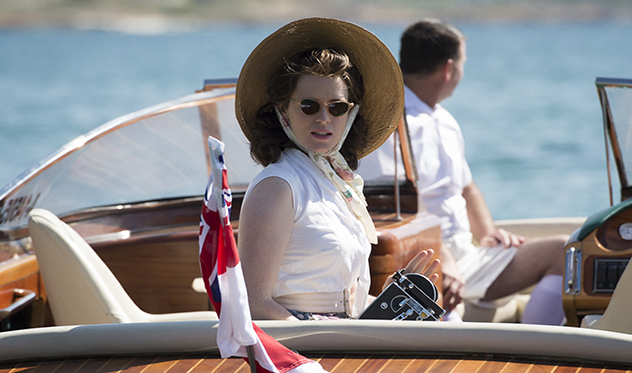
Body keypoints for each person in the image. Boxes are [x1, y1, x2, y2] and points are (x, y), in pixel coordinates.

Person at [359, 19, 568, 324]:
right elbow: (381, 211)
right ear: (449, 68)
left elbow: (466, 187)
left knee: (565, 252)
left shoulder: (444, 119)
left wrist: (489, 234)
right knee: (438, 301)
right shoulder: (388, 128)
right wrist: (444, 258)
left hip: (464, 254)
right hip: (421, 258)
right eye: (463, 62)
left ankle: (536, 353)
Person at [234, 18, 441, 321]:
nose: (323, 118)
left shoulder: (336, 183)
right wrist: (327, 338)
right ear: (284, 112)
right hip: (302, 353)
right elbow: (253, 304)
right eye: (309, 106)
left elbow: (342, 303)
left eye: (337, 107)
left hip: (340, 343)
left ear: (350, 113)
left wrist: (391, 301)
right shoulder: (277, 186)